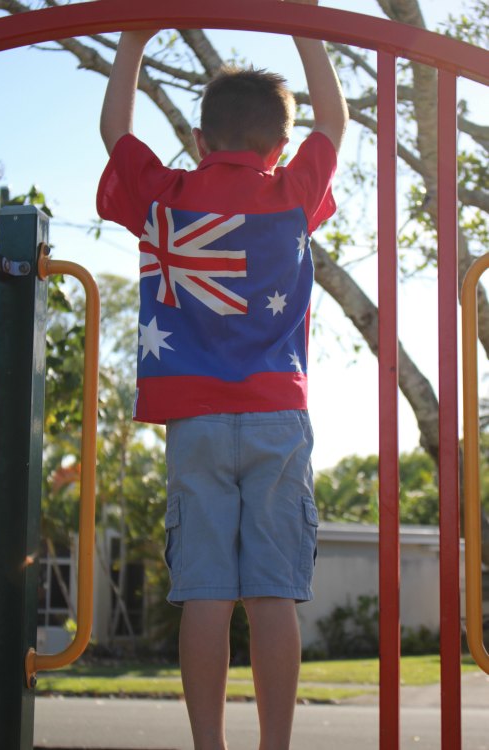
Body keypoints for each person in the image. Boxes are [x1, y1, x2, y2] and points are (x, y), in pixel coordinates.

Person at [97, 2, 348, 748]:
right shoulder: (289, 194)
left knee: (205, 595)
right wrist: (307, 33)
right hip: (276, 415)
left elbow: (117, 135)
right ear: (281, 144)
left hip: (195, 422)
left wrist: (135, 40)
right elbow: (333, 125)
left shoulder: (169, 199)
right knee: (273, 597)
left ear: (199, 139)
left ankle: (209, 745)